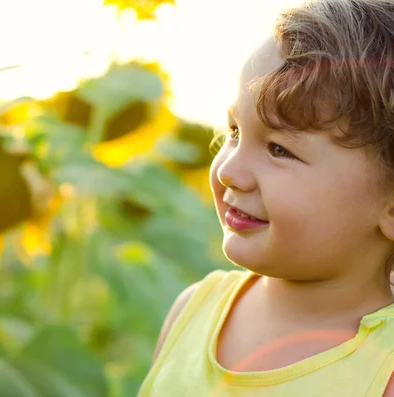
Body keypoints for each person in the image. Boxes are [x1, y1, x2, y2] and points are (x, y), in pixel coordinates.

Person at [138, 0, 394, 396]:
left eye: (279, 149)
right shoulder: (192, 312)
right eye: (235, 131)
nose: (228, 171)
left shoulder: (383, 370)